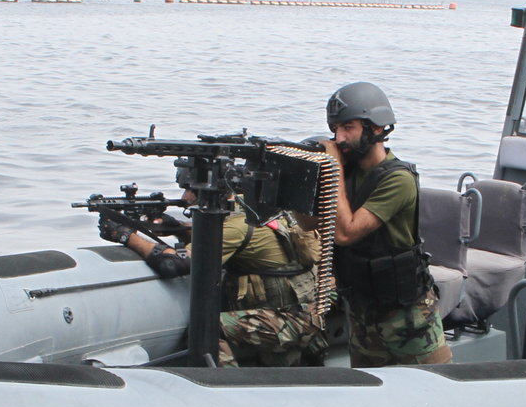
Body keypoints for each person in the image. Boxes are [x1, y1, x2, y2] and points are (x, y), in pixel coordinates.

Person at [319, 82, 453, 366]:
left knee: (435, 392)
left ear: (376, 129)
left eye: (349, 128)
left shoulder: (398, 179)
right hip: (362, 313)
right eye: (336, 130)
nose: (339, 138)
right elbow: (308, 226)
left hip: (407, 319)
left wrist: (333, 171)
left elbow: (345, 233)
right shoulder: (347, 175)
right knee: (369, 397)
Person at [106, 204, 326, 367]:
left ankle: (226, 387)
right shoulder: (276, 215)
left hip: (287, 321)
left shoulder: (240, 226)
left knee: (207, 329)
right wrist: (178, 228)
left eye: (189, 190)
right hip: (307, 318)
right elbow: (222, 240)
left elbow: (173, 264)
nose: (183, 198)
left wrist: (127, 237)